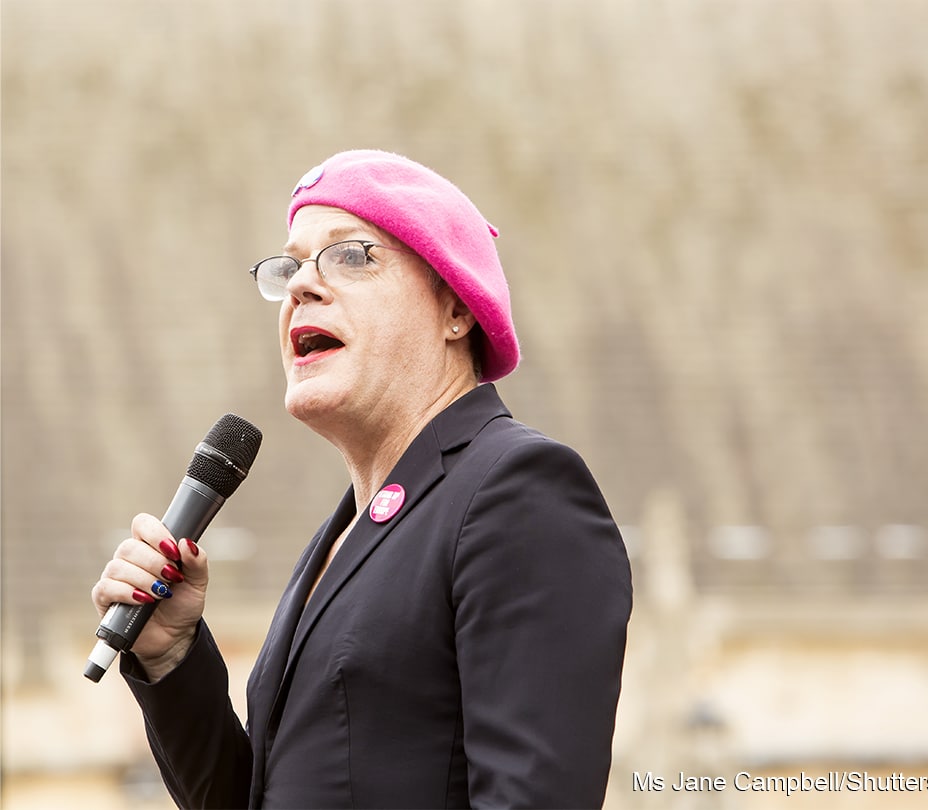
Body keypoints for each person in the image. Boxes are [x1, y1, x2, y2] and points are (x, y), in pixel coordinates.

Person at [91, 149, 632, 809]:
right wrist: (171, 657)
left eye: (352, 256)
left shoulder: (517, 491)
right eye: (289, 266)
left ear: (455, 310)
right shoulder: (341, 534)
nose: (299, 286)